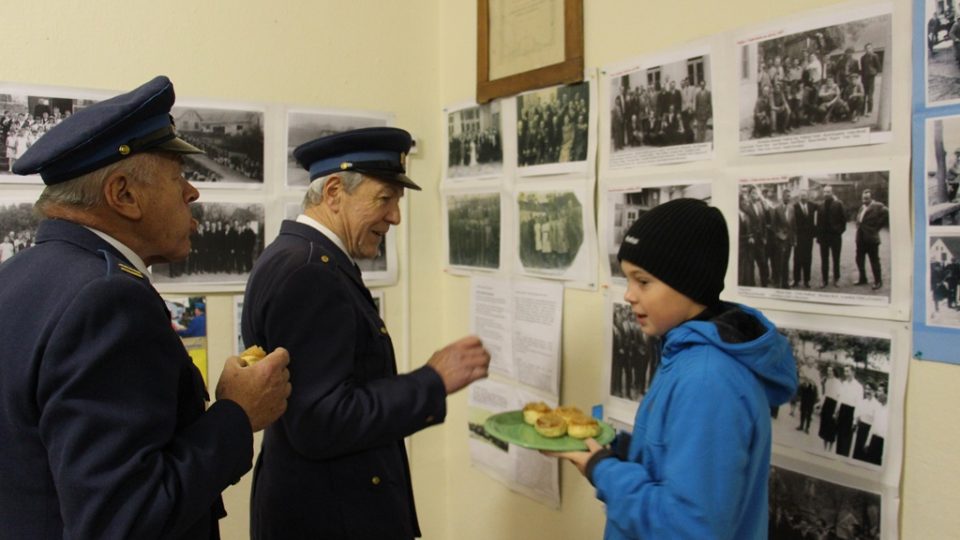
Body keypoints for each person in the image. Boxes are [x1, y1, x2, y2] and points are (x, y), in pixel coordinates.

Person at [0, 75, 292, 539]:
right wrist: (237, 414)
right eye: (178, 177)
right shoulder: (107, 300)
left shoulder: (18, 276)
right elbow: (122, 520)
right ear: (123, 195)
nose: (192, 193)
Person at [242, 127, 491, 539]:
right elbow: (322, 420)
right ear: (335, 192)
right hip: (332, 517)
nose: (395, 216)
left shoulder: (291, 254)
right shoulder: (310, 273)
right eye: (385, 198)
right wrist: (432, 380)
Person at [547, 198, 797, 539]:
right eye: (627, 280)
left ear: (688, 283)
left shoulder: (708, 380)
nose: (629, 296)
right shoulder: (686, 354)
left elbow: (687, 528)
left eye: (643, 281)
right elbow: (676, 462)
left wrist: (602, 470)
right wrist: (617, 450)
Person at [854, 189, 889, 290]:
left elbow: (887, 213)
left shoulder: (877, 206)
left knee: (874, 260)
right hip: (860, 238)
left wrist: (877, 227)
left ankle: (878, 281)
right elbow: (860, 220)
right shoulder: (862, 207)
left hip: (871, 239)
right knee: (859, 259)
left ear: (871, 198)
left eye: (867, 198)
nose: (864, 200)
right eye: (863, 198)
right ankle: (863, 278)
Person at [815, 185, 846, 288]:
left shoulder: (839, 204)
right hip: (824, 238)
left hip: (835, 237)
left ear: (832, 192)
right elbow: (818, 223)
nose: (826, 194)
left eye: (828, 192)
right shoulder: (820, 206)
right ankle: (824, 280)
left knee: (836, 259)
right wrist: (819, 238)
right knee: (824, 260)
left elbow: (844, 220)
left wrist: (839, 232)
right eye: (825, 192)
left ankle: (836, 279)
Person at [791, 188, 817, 288]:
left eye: (805, 195)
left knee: (808, 259)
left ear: (807, 196)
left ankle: (807, 280)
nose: (803, 197)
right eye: (802, 196)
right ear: (799, 197)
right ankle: (796, 280)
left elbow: (822, 210)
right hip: (798, 237)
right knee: (797, 259)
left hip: (809, 238)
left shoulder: (812, 206)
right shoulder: (794, 207)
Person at [860, 43, 880, 116]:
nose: (868, 50)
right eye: (866, 48)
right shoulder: (862, 58)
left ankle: (869, 111)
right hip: (864, 77)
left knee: (870, 95)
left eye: (869, 48)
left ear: (872, 48)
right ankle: (861, 111)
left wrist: (874, 73)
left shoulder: (875, 56)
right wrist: (862, 78)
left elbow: (878, 67)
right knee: (864, 95)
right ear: (865, 49)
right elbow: (862, 68)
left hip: (871, 77)